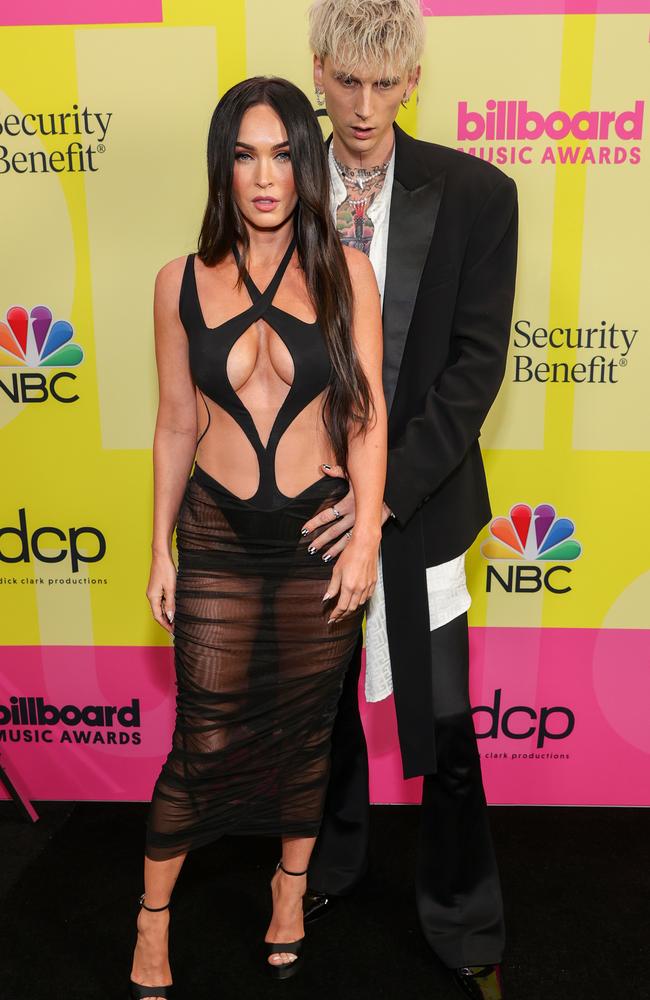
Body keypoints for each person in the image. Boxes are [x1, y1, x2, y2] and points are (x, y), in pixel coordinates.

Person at [128, 75, 387, 998]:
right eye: (244, 154)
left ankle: (289, 892)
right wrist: (159, 547)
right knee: (201, 740)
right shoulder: (178, 282)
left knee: (307, 738)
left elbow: (366, 416)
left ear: (305, 164)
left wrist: (364, 542)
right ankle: (151, 918)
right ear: (222, 166)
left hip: (317, 539)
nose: (264, 175)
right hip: (219, 538)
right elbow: (172, 423)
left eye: (282, 154)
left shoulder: (346, 273)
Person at [300, 2, 519, 998]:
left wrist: (380, 497)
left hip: (419, 503)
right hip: (304, 498)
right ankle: (326, 868)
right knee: (318, 706)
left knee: (439, 716)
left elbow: (473, 370)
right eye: (346, 80)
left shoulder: (476, 193)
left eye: (384, 84)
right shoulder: (276, 180)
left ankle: (462, 907)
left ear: (413, 78)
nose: (362, 105)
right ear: (318, 68)